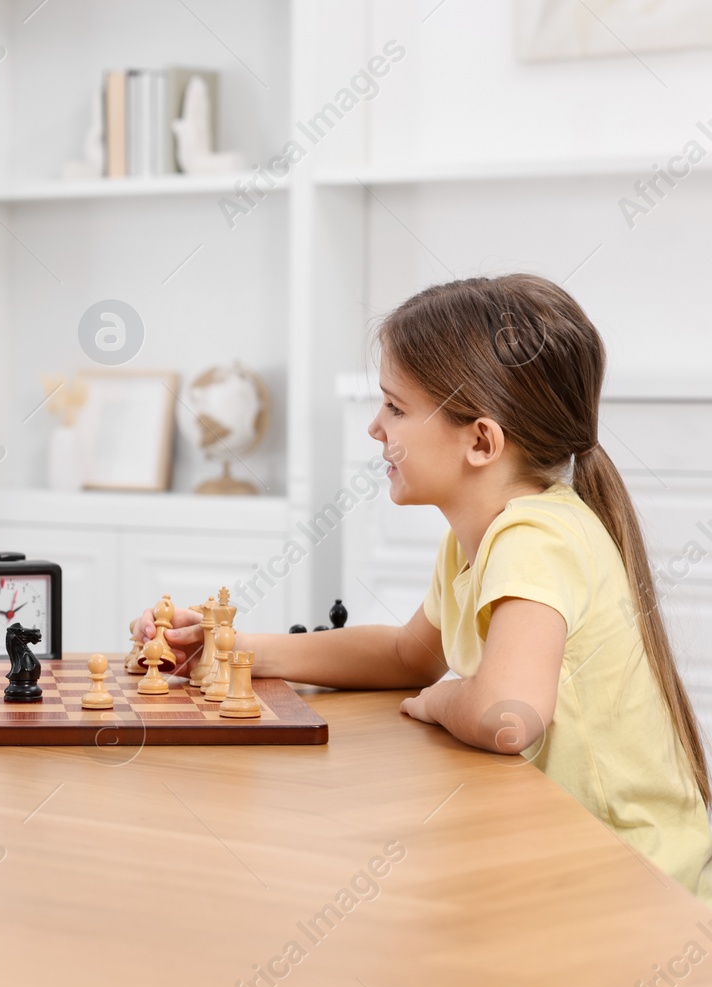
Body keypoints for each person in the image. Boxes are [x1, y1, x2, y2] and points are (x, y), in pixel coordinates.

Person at [135, 274, 712, 901]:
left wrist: (441, 700)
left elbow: (507, 715)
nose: (374, 429)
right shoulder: (479, 537)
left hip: (637, 883)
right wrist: (236, 646)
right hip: (565, 855)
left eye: (396, 408)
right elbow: (408, 654)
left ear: (481, 441)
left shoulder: (535, 538)